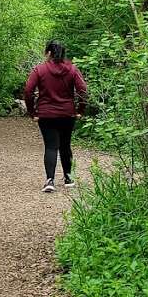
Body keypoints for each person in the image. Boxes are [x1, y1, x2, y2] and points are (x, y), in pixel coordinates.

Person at [24, 41, 87, 193]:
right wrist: (80, 110)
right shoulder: (72, 69)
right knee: (65, 145)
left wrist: (33, 112)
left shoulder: (40, 69)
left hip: (46, 114)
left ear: (49, 53)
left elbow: (28, 91)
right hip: (67, 113)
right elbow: (83, 90)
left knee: (51, 146)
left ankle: (50, 180)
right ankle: (68, 178)